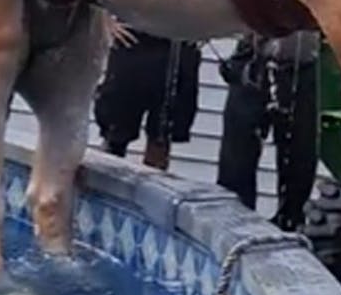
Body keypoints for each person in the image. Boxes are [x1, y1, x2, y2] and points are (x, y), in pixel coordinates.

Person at [216, 29, 322, 231]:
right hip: (252, 61)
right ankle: (235, 227)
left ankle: (291, 224)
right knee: (236, 158)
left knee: (300, 155)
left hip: (302, 66)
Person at [92, 18, 202, 170]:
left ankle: (156, 184)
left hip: (178, 44)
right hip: (133, 39)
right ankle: (105, 185)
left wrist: (208, 30)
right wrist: (104, 21)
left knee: (162, 136)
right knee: (115, 130)